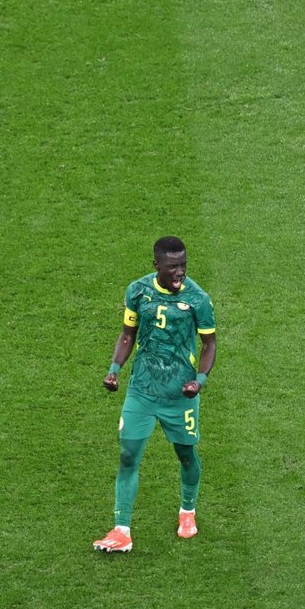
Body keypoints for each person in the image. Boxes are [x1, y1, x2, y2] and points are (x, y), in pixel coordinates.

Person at [93, 236, 217, 553]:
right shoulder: (138, 291)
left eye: (184, 266)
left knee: (186, 455)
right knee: (127, 457)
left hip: (180, 395)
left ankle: (187, 511)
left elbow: (209, 344)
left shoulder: (198, 299)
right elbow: (127, 334)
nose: (180, 273)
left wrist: (199, 380)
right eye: (173, 267)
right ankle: (122, 530)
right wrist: (114, 370)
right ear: (156, 266)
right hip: (142, 391)